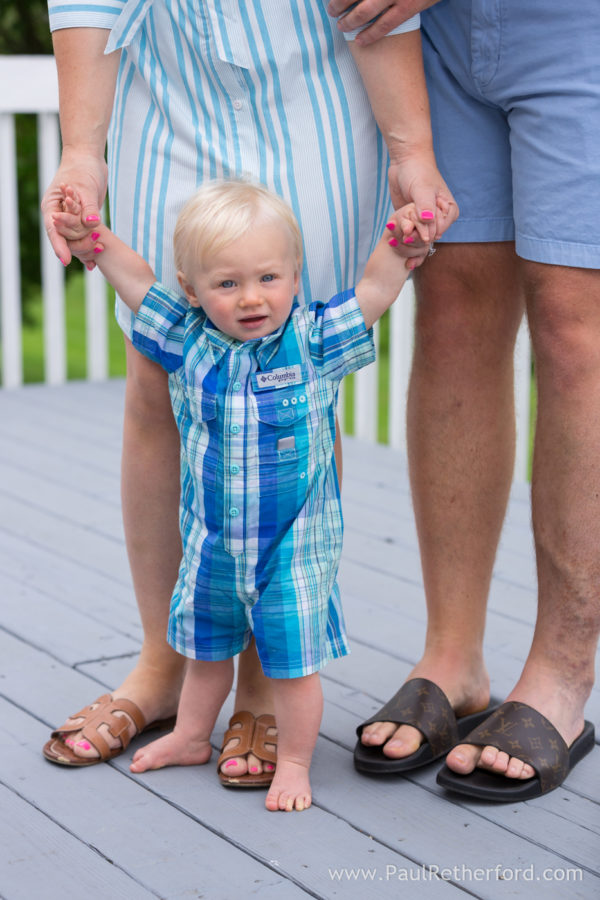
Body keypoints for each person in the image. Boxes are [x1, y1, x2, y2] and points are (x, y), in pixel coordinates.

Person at [41, 0, 457, 782]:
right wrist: (80, 150)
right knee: (155, 377)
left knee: (298, 384)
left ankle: (268, 682)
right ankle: (165, 665)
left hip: (321, 88)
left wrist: (412, 147)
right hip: (165, 84)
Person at [52, 178, 432, 811]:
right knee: (206, 653)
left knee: (290, 666)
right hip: (212, 543)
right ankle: (191, 736)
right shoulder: (187, 340)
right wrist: (93, 240)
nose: (252, 298)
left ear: (293, 275)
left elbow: (373, 291)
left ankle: (297, 764)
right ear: (194, 288)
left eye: (269, 278)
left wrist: (401, 241)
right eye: (227, 284)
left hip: (292, 552)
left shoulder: (312, 341)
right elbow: (135, 282)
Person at [329, 0, 599, 800]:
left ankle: (562, 670)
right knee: (449, 312)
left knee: (574, 329)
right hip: (427, 31)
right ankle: (454, 656)